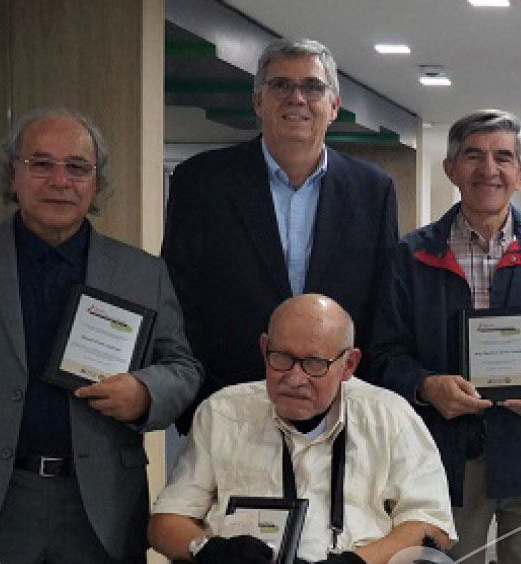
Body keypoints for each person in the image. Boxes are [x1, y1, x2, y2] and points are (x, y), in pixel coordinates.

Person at [0, 108, 202, 563]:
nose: (59, 180)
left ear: (95, 183)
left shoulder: (142, 272)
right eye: (41, 164)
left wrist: (146, 393)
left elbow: (184, 367)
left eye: (76, 168)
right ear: (13, 175)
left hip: (100, 506)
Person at [371, 110, 521, 564]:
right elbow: (383, 354)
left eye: (503, 158)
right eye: (473, 156)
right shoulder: (412, 254)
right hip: (441, 460)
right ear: (451, 169)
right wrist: (426, 386)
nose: (489, 170)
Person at [163, 38, 399, 432]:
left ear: (334, 107)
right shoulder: (200, 183)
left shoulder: (373, 192)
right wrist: (198, 405)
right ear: (258, 102)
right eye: (280, 85)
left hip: (339, 413)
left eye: (312, 87)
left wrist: (361, 404)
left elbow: (380, 308)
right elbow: (178, 299)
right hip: (229, 408)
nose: (297, 98)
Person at [149, 295, 455, 564]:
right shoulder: (222, 412)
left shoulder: (390, 415)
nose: (295, 379)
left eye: (314, 364)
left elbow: (432, 525)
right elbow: (164, 523)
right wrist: (208, 549)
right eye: (281, 358)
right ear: (264, 348)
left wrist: (356, 563)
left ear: (349, 364)